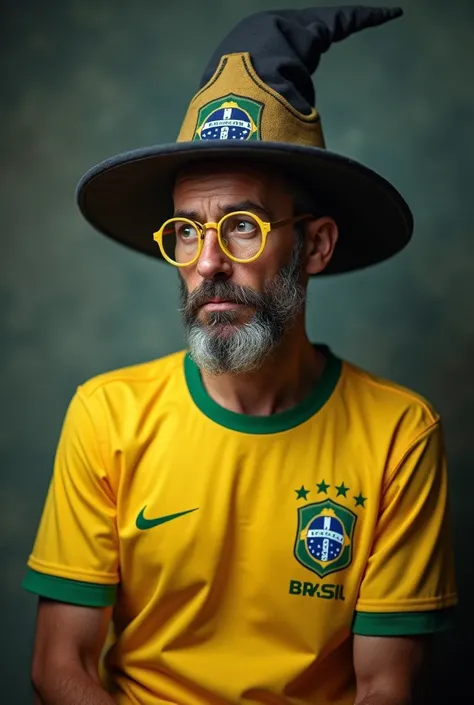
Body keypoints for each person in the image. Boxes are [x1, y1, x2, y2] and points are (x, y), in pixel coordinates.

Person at [23, 6, 457, 705]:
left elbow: (385, 687)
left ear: (315, 245)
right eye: (187, 233)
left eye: (244, 227)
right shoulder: (108, 416)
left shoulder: (398, 434)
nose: (210, 263)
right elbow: (59, 664)